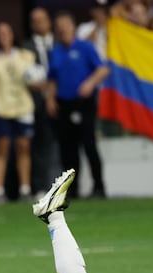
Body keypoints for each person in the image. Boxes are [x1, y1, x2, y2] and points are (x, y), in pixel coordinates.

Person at [46, 12, 109, 199]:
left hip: (84, 103)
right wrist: (50, 98)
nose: (63, 28)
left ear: (73, 27)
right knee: (68, 148)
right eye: (59, 25)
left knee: (89, 144)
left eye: (66, 24)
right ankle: (72, 190)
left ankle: (99, 186)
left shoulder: (85, 47)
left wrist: (90, 83)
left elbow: (103, 69)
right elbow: (51, 79)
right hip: (63, 103)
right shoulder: (56, 51)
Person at [0, 22, 38, 203]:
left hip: (22, 106)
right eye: (0, 33)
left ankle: (25, 188)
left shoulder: (26, 56)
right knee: (2, 148)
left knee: (23, 148)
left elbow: (35, 79)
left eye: (7, 32)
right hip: (1, 108)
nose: (4, 36)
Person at [22, 7, 59, 198]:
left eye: (42, 19)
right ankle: (41, 187)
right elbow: (25, 75)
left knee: (64, 144)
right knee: (39, 146)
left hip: (62, 100)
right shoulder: (25, 48)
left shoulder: (60, 43)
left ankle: (65, 187)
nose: (39, 24)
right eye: (35, 20)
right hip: (36, 103)